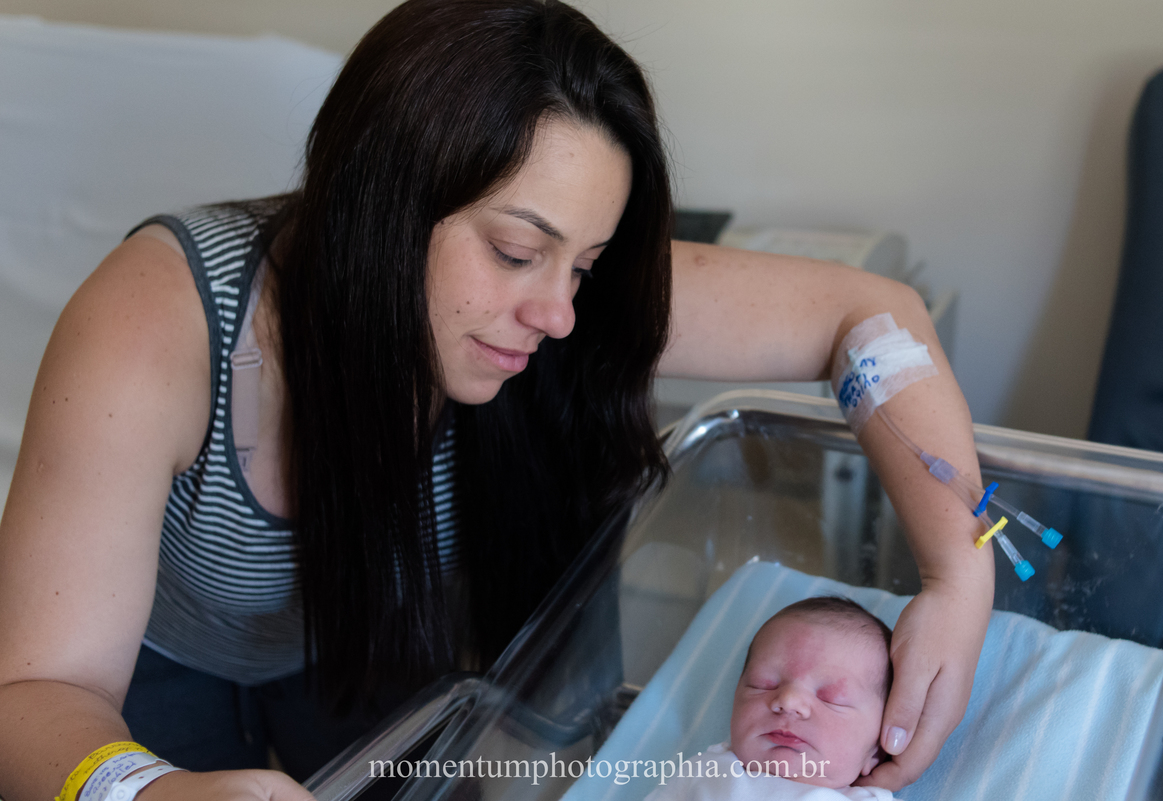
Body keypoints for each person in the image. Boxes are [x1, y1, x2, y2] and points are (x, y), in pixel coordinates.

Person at [0, 1, 993, 799]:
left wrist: (959, 574)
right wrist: (139, 787)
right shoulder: (157, 323)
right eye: (518, 252)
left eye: (587, 263)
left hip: (373, 646)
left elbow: (876, 316)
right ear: (379, 203)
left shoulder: (568, 301)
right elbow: (39, 688)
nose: (558, 312)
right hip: (153, 664)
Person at [644, 597, 896, 800]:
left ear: (876, 752)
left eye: (831, 699)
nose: (788, 701)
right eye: (764, 684)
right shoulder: (705, 770)